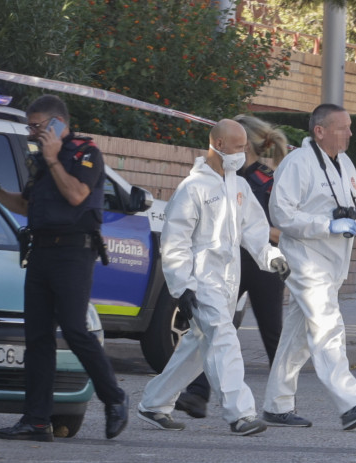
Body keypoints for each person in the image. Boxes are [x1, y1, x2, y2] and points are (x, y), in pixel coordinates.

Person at [0, 94, 128, 442]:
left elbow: (77, 195)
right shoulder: (40, 161)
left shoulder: (85, 154)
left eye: (36, 126)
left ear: (57, 123)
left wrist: (53, 159)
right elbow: (25, 205)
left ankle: (114, 398)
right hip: (41, 252)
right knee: (37, 337)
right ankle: (36, 421)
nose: (32, 132)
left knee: (74, 329)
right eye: (30, 126)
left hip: (73, 253)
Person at [261, 103, 356, 431]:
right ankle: (350, 403)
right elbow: (281, 214)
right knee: (328, 327)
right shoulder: (297, 163)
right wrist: (325, 225)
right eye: (343, 127)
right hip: (305, 261)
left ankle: (276, 406)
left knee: (298, 336)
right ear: (320, 131)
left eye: (349, 127)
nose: (350, 133)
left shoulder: (343, 163)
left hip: (332, 263)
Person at [136, 119, 290, 436]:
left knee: (197, 345)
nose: (243, 152)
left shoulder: (238, 186)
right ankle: (241, 413)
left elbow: (256, 232)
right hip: (201, 280)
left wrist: (272, 258)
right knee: (223, 340)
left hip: (227, 282)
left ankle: (154, 403)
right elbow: (174, 241)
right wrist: (182, 286)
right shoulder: (193, 189)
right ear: (218, 145)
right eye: (238, 147)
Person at [175, 115, 289, 420]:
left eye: (240, 144)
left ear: (246, 145)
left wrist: (254, 237)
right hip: (228, 264)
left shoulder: (265, 180)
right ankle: (197, 394)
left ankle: (282, 403)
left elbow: (281, 230)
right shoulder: (219, 178)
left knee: (272, 333)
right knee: (213, 329)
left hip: (260, 264)